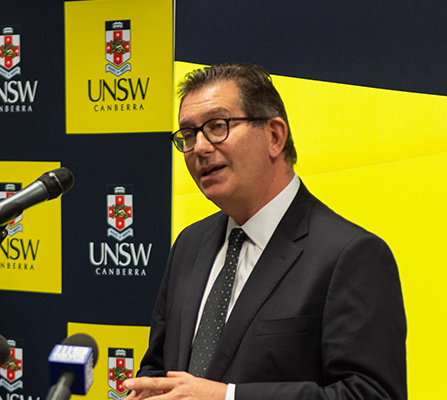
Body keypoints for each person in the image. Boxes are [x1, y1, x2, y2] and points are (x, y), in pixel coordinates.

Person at [124, 63, 406, 400]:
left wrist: (228, 398)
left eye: (217, 126)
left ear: (274, 136)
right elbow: (159, 370)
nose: (199, 147)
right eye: (188, 134)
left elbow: (371, 394)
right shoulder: (190, 243)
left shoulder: (351, 255)